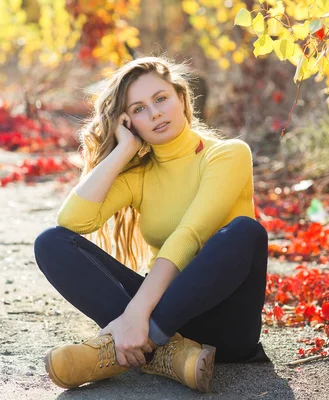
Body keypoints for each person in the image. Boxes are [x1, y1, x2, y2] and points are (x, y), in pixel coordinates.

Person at [33, 55, 270, 393]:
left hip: (227, 327)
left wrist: (135, 316)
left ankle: (123, 350)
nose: (155, 113)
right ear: (128, 123)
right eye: (140, 109)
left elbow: (190, 234)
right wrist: (122, 151)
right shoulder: (140, 176)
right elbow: (72, 221)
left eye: (161, 99)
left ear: (182, 99)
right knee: (50, 242)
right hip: (163, 313)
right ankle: (168, 352)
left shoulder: (227, 154)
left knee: (245, 232)